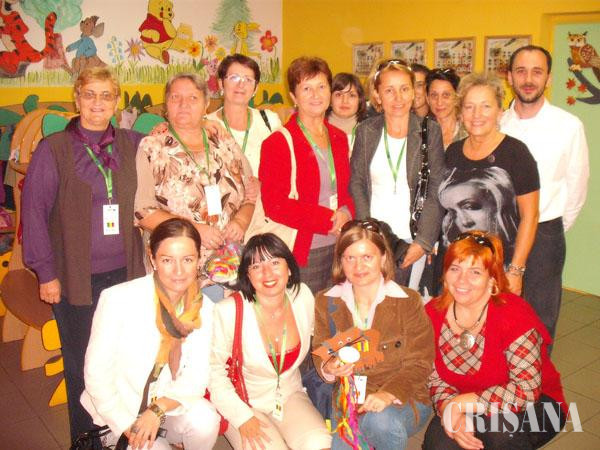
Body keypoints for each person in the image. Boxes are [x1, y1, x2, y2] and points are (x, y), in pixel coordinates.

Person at [21, 67, 145, 444]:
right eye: (89, 94)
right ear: (77, 99)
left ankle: (123, 434)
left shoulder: (135, 143)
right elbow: (34, 213)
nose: (97, 103)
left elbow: (178, 150)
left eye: (106, 95)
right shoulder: (54, 148)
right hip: (75, 278)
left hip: (127, 276)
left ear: (117, 102)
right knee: (83, 364)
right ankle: (88, 439)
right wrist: (45, 273)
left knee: (125, 359)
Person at [81, 218, 220, 450]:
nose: (178, 271)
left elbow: (197, 377)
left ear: (198, 259)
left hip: (166, 407)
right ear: (152, 259)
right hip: (121, 411)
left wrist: (157, 410)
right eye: (167, 260)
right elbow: (96, 375)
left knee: (206, 420)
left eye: (187, 259)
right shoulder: (118, 299)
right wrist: (127, 425)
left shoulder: (205, 308)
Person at [423, 231, 566, 450]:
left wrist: (459, 403)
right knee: (438, 443)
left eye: (475, 272)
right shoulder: (432, 313)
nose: (462, 280)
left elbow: (526, 390)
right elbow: (435, 378)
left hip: (538, 404)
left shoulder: (513, 313)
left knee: (499, 433)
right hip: (466, 403)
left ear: (492, 279)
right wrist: (448, 408)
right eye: (455, 269)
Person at [312, 219, 434, 450]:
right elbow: (321, 349)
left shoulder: (408, 301)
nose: (358, 266)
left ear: (383, 258)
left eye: (367, 257)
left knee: (380, 422)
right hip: (350, 397)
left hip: (404, 395)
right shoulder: (326, 301)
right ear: (341, 261)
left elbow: (420, 363)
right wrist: (329, 366)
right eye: (350, 258)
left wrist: (388, 394)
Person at [135, 72, 257, 299]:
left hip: (230, 264)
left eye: (192, 98)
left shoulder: (222, 139)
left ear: (206, 104)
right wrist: (194, 230)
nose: (183, 104)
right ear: (166, 104)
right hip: (178, 272)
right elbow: (142, 212)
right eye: (175, 97)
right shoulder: (152, 148)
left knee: (227, 321)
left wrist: (241, 221)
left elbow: (251, 192)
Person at [209, 233, 332, 450]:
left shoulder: (301, 296)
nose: (267, 273)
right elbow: (213, 371)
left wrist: (330, 366)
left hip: (289, 394)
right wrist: (242, 417)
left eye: (275, 262)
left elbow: (321, 341)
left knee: (319, 443)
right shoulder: (228, 311)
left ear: (289, 268)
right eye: (256, 266)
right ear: (247, 274)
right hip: (244, 402)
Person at [500, 45, 589, 339]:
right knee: (498, 313)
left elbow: (577, 185)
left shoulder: (568, 126)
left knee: (539, 319)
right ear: (509, 77)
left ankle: (537, 371)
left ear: (548, 78)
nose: (528, 79)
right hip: (500, 232)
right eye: (521, 71)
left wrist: (551, 229)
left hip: (544, 235)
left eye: (537, 72)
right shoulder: (497, 123)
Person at [259, 56, 354, 294]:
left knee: (335, 312)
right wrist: (327, 219)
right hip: (304, 250)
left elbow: (347, 188)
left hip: (341, 246)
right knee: (305, 314)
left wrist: (346, 211)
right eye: (306, 88)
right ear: (294, 96)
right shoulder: (278, 142)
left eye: (321, 86)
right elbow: (274, 204)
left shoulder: (338, 138)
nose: (315, 95)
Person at [350, 59, 445, 291]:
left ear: (413, 92)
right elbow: (357, 182)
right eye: (389, 91)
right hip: (374, 236)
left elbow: (435, 188)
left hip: (412, 239)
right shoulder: (366, 131)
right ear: (377, 95)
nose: (398, 98)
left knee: (403, 303)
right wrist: (366, 230)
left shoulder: (430, 131)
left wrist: (424, 241)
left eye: (404, 89)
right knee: (370, 300)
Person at [441, 72, 539, 295]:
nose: (477, 114)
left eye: (485, 106)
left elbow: (530, 216)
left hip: (498, 267)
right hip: (455, 264)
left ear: (500, 112)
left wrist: (516, 270)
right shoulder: (453, 152)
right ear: (461, 112)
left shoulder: (516, 154)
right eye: (469, 107)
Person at [207, 53, 282, 175]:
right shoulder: (208, 125)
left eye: (248, 80)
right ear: (221, 84)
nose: (241, 85)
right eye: (234, 78)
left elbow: (282, 167)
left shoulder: (269, 120)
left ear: (255, 88)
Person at [326, 72, 367, 154]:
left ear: (359, 100)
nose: (345, 101)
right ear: (329, 99)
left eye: (351, 95)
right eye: (338, 95)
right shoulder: (318, 129)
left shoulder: (369, 131)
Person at [426, 68, 467, 149]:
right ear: (427, 99)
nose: (439, 102)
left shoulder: (468, 132)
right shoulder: (420, 134)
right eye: (434, 95)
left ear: (456, 97)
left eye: (446, 95)